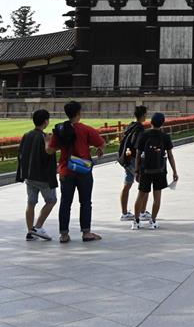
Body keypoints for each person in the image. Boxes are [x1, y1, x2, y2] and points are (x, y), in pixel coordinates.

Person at [48, 100, 104, 243]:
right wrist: (99, 149)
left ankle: (64, 234)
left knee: (65, 202)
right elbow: (101, 143)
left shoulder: (60, 130)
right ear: (79, 113)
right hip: (83, 169)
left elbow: (50, 150)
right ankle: (86, 232)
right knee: (85, 202)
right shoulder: (85, 129)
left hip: (66, 170)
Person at [131, 112, 179, 230]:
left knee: (140, 196)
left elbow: (138, 154)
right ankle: (152, 221)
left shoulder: (144, 135)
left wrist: (137, 170)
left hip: (145, 170)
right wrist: (174, 171)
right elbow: (170, 155)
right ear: (162, 123)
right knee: (157, 197)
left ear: (151, 122)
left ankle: (136, 221)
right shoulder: (165, 137)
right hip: (160, 170)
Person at [17, 108, 56, 241]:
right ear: (46, 121)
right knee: (51, 200)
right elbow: (48, 154)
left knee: (31, 203)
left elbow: (21, 154)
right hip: (43, 176)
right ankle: (37, 226)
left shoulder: (27, 135)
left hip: (29, 175)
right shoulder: (45, 137)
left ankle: (30, 231)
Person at [117, 105, 150, 222]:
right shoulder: (139, 129)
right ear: (143, 115)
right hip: (133, 161)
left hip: (126, 160)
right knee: (144, 186)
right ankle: (142, 212)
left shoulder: (130, 126)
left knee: (127, 185)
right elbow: (137, 147)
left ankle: (124, 213)